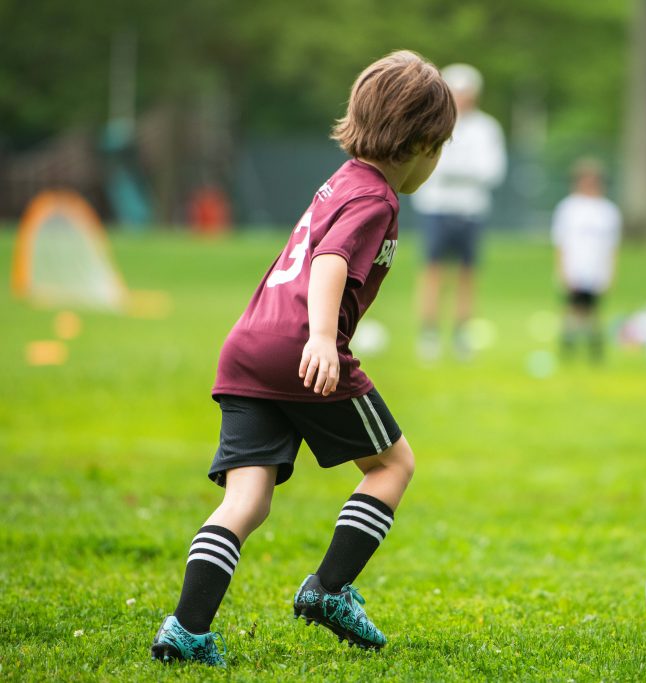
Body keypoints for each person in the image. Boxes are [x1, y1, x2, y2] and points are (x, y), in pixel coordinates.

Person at [149, 50, 456, 667]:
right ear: (422, 143)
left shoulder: (341, 179)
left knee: (247, 500)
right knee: (392, 464)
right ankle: (329, 590)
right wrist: (320, 338)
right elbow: (330, 260)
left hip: (247, 349)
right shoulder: (376, 199)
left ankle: (186, 630)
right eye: (440, 148)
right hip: (299, 347)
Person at [410, 63, 506, 361]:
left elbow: (492, 171)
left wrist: (455, 170)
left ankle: (462, 334)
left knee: (467, 273)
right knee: (433, 271)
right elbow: (427, 164)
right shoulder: (431, 123)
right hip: (436, 207)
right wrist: (463, 171)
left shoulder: (487, 128)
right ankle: (429, 333)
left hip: (470, 210)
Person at [551, 158, 622, 362]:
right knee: (573, 308)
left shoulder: (608, 211)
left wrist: (611, 272)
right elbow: (561, 242)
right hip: (575, 266)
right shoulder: (568, 208)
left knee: (594, 310)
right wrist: (562, 270)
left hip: (596, 268)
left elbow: (612, 246)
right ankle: (569, 347)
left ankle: (594, 349)